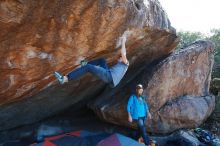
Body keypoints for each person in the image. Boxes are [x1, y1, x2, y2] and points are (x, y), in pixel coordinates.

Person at [54, 34, 129, 88]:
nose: (118, 59)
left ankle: (65, 79)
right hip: (109, 75)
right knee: (102, 61)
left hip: (109, 76)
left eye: (120, 58)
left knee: (88, 67)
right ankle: (85, 64)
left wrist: (123, 41)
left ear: (123, 59)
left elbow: (123, 53)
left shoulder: (126, 63)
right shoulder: (122, 65)